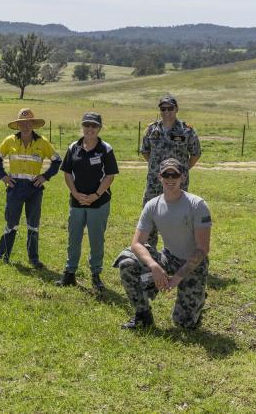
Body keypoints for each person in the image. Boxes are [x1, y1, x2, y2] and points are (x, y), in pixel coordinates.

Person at [114, 158, 212, 330]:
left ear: (182, 177)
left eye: (175, 174)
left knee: (183, 324)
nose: (170, 178)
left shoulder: (197, 205)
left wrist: (177, 278)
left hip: (193, 265)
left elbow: (202, 249)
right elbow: (137, 243)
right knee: (127, 263)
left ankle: (197, 297)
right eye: (166, 174)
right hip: (168, 258)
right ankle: (143, 315)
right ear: (159, 177)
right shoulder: (152, 205)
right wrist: (155, 267)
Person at [0, 108, 61, 269]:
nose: (25, 126)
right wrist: (2, 175)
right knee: (11, 222)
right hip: (15, 186)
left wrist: (45, 176)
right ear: (18, 125)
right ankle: (2, 256)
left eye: (28, 122)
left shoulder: (42, 142)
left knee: (33, 224)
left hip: (34, 189)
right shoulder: (9, 140)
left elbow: (57, 160)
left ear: (33, 124)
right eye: (22, 123)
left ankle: (33, 259)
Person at [56, 113, 119, 292]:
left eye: (94, 126)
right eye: (87, 125)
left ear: (100, 128)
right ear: (82, 127)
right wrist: (75, 193)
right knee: (73, 238)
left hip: (98, 202)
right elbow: (67, 173)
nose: (90, 129)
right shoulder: (73, 147)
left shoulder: (105, 149)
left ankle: (96, 275)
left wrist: (96, 195)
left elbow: (110, 175)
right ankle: (69, 274)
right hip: (76, 202)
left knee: (96, 239)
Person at [140, 96, 201, 249]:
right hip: (155, 182)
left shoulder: (186, 130)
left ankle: (178, 253)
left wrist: (182, 171)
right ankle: (149, 253)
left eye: (170, 108)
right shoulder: (152, 129)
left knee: (178, 216)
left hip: (177, 183)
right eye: (163, 109)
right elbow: (145, 151)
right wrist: (157, 169)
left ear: (176, 109)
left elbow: (195, 153)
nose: (166, 112)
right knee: (150, 216)